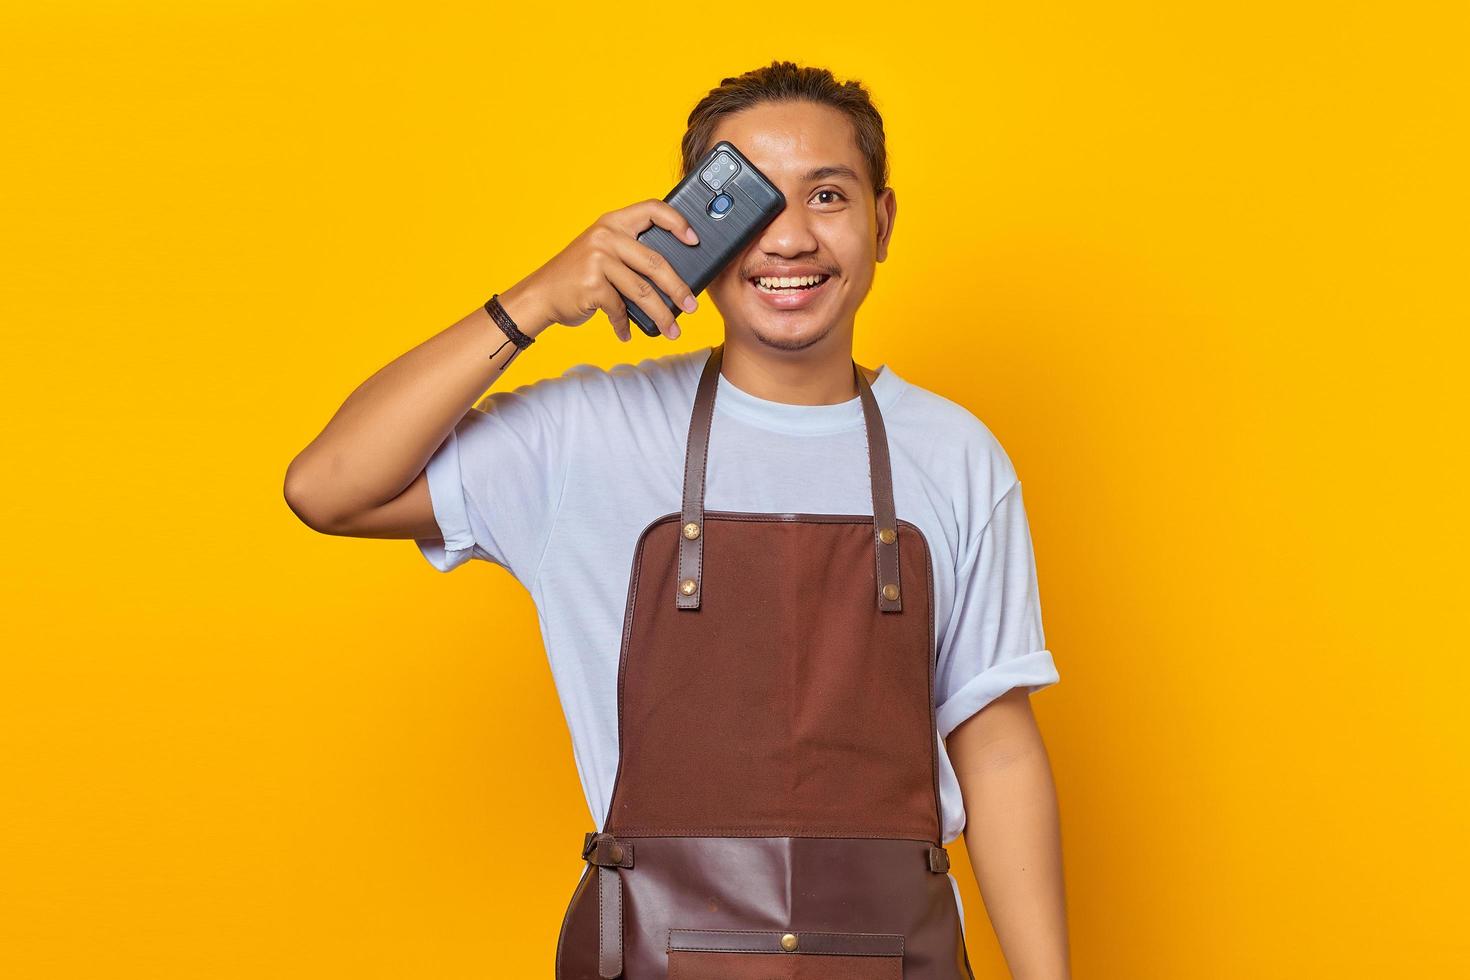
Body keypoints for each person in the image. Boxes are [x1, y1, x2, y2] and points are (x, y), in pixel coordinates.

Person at [285, 60, 1069, 979]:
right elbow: (329, 487)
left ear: (882, 222)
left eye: (827, 195)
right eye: (753, 203)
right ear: (690, 223)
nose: (790, 240)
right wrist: (535, 301)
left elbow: (997, 743)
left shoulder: (954, 452)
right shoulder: (590, 433)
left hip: (899, 954)